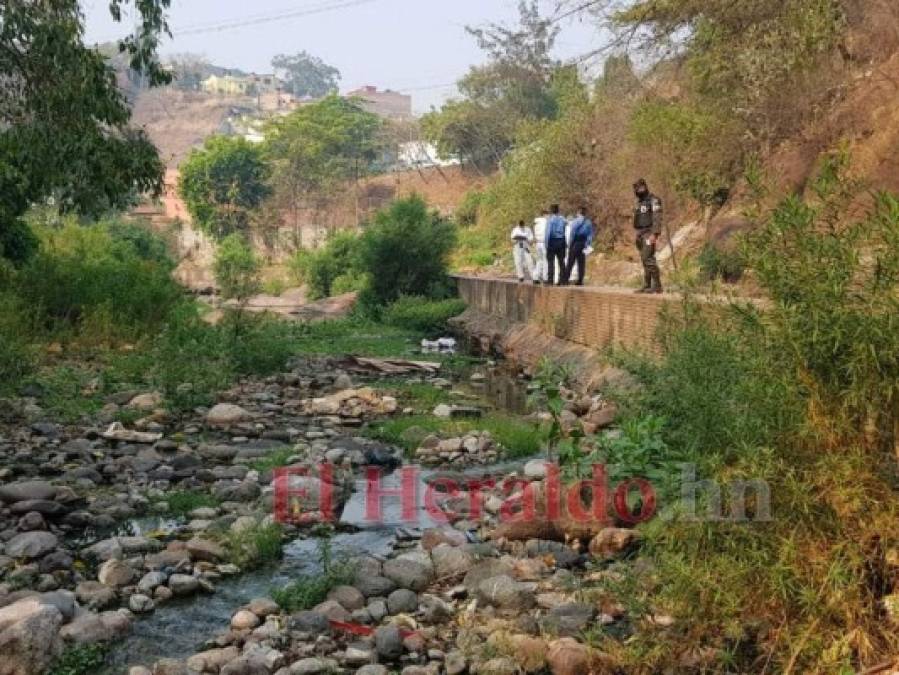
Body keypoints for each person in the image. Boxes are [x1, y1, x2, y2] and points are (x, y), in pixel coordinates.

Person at [632, 179, 663, 293]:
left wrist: (655, 234)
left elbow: (657, 218)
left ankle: (657, 285)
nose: (638, 190)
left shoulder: (654, 200)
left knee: (648, 258)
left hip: (649, 233)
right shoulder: (639, 202)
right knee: (644, 260)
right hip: (640, 234)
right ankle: (647, 284)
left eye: (640, 187)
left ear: (645, 187)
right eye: (636, 188)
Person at [561, 206, 594, 286]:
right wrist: (587, 244)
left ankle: (566, 279)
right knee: (581, 262)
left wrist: (570, 244)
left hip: (575, 243)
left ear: (578, 212)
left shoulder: (575, 221)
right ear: (585, 213)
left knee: (570, 262)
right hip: (583, 243)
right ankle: (580, 280)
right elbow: (590, 235)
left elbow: (573, 233)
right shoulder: (588, 222)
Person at [543, 204, 567, 285]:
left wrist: (546, 244)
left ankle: (550, 280)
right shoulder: (563, 219)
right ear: (558, 210)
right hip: (561, 241)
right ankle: (563, 280)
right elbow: (565, 228)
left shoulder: (550, 220)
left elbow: (548, 233)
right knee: (561, 261)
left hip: (552, 241)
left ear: (551, 211)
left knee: (550, 261)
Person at [532, 210, 549, 284]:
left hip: (538, 243)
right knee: (546, 260)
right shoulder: (545, 222)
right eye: (548, 215)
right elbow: (547, 233)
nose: (549, 216)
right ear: (545, 215)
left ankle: (535, 277)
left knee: (539, 260)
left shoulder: (536, 223)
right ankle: (545, 278)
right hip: (544, 243)